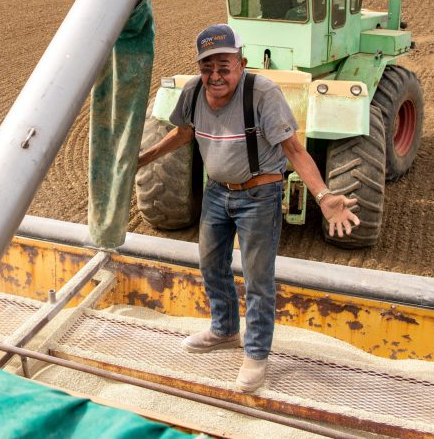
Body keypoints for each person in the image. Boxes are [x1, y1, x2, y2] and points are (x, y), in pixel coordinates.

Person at [136, 23, 360, 393]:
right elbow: (183, 132)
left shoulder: (262, 94)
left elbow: (294, 150)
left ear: (241, 63)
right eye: (207, 67)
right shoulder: (193, 91)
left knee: (257, 279)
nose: (215, 75)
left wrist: (322, 196)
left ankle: (256, 354)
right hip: (216, 194)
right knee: (211, 264)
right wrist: (142, 160)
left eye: (224, 66)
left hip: (259, 197)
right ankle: (224, 331)